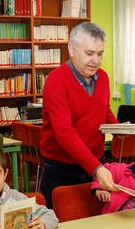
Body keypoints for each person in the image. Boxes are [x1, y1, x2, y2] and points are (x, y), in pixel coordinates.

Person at [39, 21, 118, 207]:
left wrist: (121, 128)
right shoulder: (56, 81)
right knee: (60, 224)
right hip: (62, 168)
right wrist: (96, 168)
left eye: (100, 54)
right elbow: (64, 133)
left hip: (95, 161)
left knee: (95, 222)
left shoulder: (103, 78)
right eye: (89, 53)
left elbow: (103, 110)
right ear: (72, 50)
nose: (96, 60)